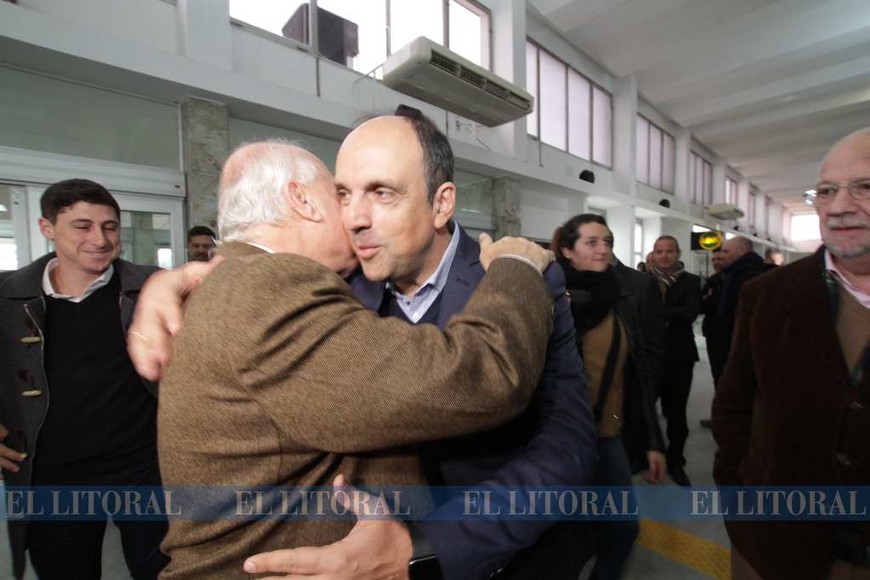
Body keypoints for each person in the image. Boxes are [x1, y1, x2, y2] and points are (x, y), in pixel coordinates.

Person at [131, 111, 597, 580]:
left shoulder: (525, 280)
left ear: (441, 204)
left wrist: (428, 548)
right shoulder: (328, 287)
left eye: (381, 193)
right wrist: (171, 282)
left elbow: (567, 448)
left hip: (500, 560)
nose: (354, 217)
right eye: (341, 194)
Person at [713, 128, 870, 580]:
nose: (839, 206)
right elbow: (734, 407)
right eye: (826, 191)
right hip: (777, 545)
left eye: (864, 186)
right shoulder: (766, 294)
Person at [0, 179, 168, 579]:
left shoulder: (152, 287)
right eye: (82, 226)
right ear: (47, 227)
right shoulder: (7, 297)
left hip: (145, 470)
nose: (100, 239)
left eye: (110, 227)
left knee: (165, 570)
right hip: (51, 478)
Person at [552, 214, 666, 580]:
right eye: (592, 242)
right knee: (563, 539)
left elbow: (640, 373)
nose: (603, 249)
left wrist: (653, 441)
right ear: (568, 251)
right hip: (557, 443)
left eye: (608, 241)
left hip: (608, 436)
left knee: (621, 531)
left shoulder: (623, 297)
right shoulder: (549, 298)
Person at [648, 235, 701, 486]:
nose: (664, 256)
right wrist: (669, 316)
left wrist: (655, 315)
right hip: (649, 355)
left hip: (680, 355)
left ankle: (676, 460)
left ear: (678, 253)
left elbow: (690, 313)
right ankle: (648, 454)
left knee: (677, 410)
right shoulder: (645, 281)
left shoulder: (690, 281)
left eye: (669, 251)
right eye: (659, 251)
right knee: (646, 409)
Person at [711, 237, 772, 384]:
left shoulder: (749, 276)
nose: (722, 255)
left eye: (726, 251)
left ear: (741, 251)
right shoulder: (732, 274)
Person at [698, 249, 725, 429]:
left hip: (728, 334)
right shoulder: (712, 282)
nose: (716, 262)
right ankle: (720, 415)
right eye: (714, 259)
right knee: (718, 376)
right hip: (713, 333)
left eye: (720, 258)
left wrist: (709, 301)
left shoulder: (733, 281)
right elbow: (700, 305)